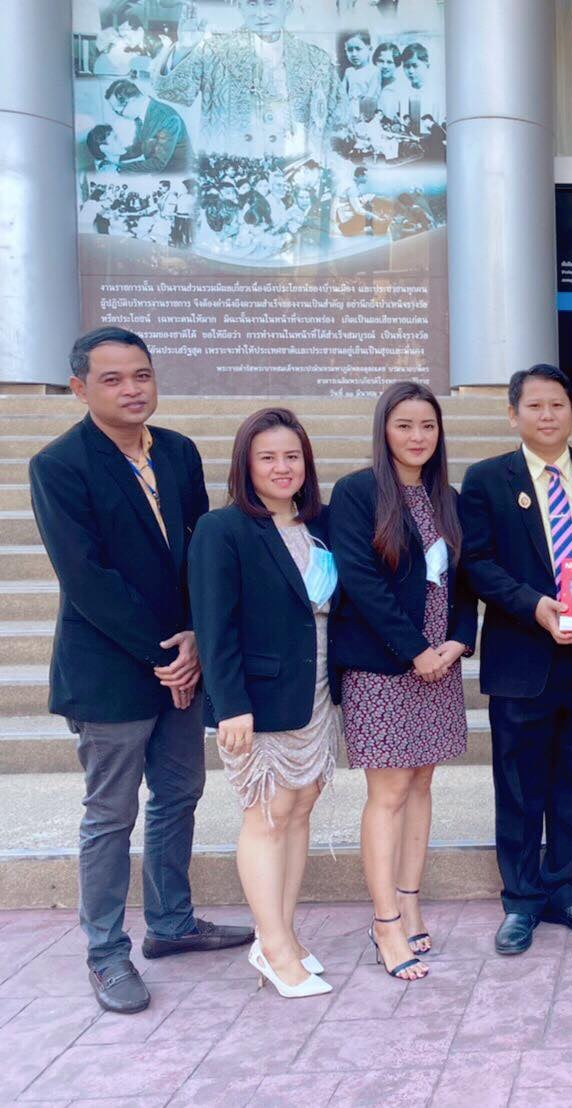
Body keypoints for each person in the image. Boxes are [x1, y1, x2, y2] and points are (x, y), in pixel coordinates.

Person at [29, 328, 252, 1014]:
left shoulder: (178, 452)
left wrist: (198, 637)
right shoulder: (59, 465)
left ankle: (171, 923)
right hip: (111, 671)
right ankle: (105, 954)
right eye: (113, 379)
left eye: (142, 375)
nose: (132, 389)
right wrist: (168, 654)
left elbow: (201, 551)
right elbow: (86, 579)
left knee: (179, 793)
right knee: (110, 814)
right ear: (80, 389)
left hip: (182, 660)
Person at [458, 364, 572, 956]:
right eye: (534, 406)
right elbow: (477, 564)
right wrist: (535, 606)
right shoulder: (487, 479)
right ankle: (521, 899)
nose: (546, 415)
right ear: (513, 414)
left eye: (557, 405)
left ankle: (564, 888)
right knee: (518, 786)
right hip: (523, 659)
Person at [189, 409, 338, 998]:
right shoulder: (222, 529)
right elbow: (214, 625)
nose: (282, 467)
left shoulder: (319, 525)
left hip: (316, 692)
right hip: (256, 698)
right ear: (245, 465)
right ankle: (272, 947)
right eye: (268, 457)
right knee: (267, 815)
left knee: (299, 810)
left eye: (292, 456)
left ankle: (284, 933)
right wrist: (230, 704)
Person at [330, 382, 476, 982]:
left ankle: (411, 901)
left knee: (421, 785)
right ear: (384, 430)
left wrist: (458, 641)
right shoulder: (357, 493)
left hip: (440, 665)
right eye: (404, 425)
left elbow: (465, 581)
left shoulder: (449, 499)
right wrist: (415, 651)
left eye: (428, 426)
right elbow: (360, 581)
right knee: (388, 793)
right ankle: (385, 921)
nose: (418, 436)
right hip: (382, 667)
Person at [156, 0, 340, 162]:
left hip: (296, 175)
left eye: (270, 3)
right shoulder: (215, 51)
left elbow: (338, 120)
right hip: (231, 173)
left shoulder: (316, 60)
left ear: (288, 5)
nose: (261, 13)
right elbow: (173, 93)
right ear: (239, 5)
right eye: (252, 3)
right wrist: (184, 49)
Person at [105, 79, 192, 174]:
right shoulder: (140, 116)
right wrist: (116, 157)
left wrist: (119, 167)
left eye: (119, 112)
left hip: (178, 173)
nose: (120, 116)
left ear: (132, 101)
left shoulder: (167, 118)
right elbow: (138, 148)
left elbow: (157, 163)